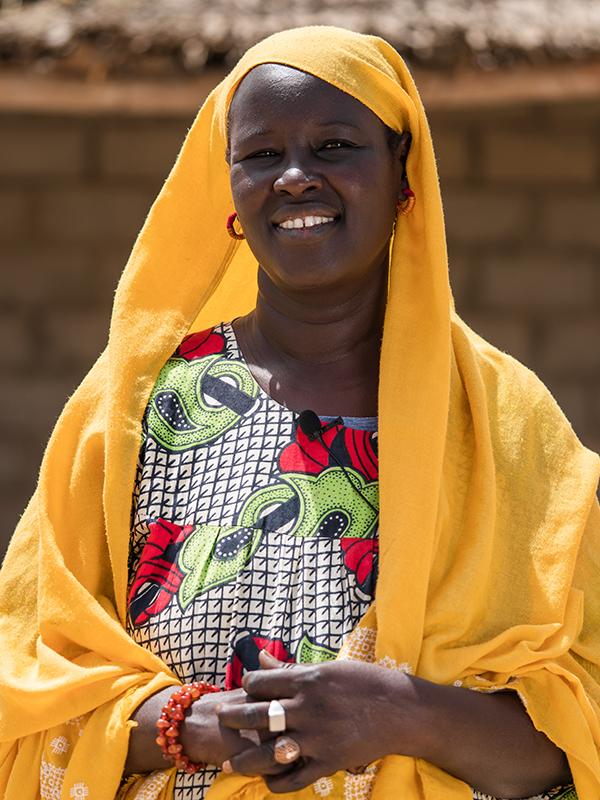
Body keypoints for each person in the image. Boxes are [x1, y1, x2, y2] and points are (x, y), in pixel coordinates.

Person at [0, 25, 598, 800]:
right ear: (229, 195)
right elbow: (31, 675)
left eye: (335, 147)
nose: (293, 178)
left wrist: (400, 714)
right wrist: (199, 723)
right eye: (259, 155)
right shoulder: (137, 406)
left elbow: (574, 732)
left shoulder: (505, 426)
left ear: (403, 176)